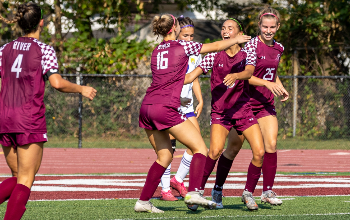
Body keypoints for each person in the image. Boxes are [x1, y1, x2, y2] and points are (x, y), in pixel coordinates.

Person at [134, 14, 251, 213]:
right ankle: (195, 191)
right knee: (199, 149)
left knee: (164, 156)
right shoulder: (183, 46)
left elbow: (177, 77)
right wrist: (236, 39)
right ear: (174, 28)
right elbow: (214, 47)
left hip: (147, 106)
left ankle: (143, 201)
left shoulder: (155, 51)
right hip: (164, 107)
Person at [0, 3, 97, 219]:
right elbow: (57, 83)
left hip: (5, 118)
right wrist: (81, 88)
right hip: (28, 119)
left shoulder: (4, 49)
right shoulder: (44, 50)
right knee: (26, 178)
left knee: (17, 176)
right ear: (42, 22)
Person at [182, 18, 267, 211]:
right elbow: (191, 76)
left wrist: (236, 75)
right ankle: (197, 192)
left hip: (243, 110)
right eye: (223, 28)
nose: (225, 31)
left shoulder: (248, 53)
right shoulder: (214, 57)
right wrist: (172, 80)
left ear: (239, 33)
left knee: (260, 152)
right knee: (214, 151)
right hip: (221, 112)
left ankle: (247, 193)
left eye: (230, 28)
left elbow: (249, 72)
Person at [211, 7, 289, 210]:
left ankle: (263, 191)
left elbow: (271, 73)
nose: (268, 30)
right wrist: (267, 83)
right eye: (265, 26)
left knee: (270, 145)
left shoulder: (279, 48)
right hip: (243, 105)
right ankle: (217, 188)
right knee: (232, 149)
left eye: (272, 27)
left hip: (264, 105)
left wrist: (278, 86)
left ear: (278, 27)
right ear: (259, 27)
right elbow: (248, 74)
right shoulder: (251, 46)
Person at [160, 15, 203, 201]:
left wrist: (200, 100)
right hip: (172, 105)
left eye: (191, 36)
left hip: (188, 105)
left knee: (197, 144)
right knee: (169, 148)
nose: (189, 39)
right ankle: (164, 190)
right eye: (185, 35)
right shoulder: (173, 51)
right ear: (177, 33)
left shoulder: (194, 51)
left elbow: (194, 77)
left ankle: (177, 180)